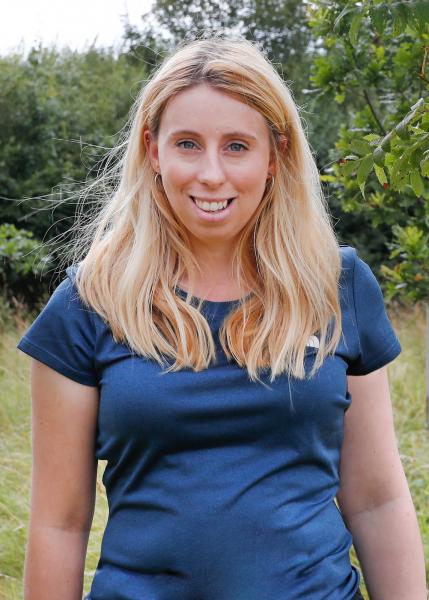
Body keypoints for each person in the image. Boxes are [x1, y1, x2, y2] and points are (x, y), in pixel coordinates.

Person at [17, 35, 426, 600]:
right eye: (188, 143)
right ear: (153, 151)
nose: (212, 174)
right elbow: (58, 525)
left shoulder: (337, 286)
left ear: (275, 157)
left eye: (237, 146)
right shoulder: (89, 302)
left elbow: (377, 499)